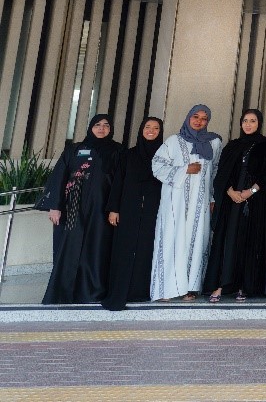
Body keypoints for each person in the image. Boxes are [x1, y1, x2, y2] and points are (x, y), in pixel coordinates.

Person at [38, 114, 121, 304]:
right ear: (90, 127)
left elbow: (119, 182)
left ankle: (92, 293)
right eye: (98, 125)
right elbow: (60, 176)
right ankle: (62, 293)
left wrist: (115, 208)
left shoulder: (117, 151)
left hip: (102, 210)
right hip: (72, 210)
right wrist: (54, 206)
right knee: (69, 249)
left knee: (97, 249)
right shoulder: (74, 149)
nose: (102, 128)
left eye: (106, 125)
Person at [205, 109, 266, 302]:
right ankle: (222, 285)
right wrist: (230, 192)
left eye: (252, 121)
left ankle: (244, 286)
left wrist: (249, 192)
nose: (248, 124)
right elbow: (221, 174)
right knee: (228, 242)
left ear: (259, 123)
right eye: (245, 120)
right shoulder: (232, 146)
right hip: (232, 202)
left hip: (255, 204)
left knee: (249, 242)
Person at [151, 104, 224, 301]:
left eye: (204, 118)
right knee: (173, 240)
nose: (199, 121)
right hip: (175, 202)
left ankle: (190, 288)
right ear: (188, 117)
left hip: (200, 205)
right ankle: (166, 289)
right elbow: (157, 165)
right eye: (195, 117)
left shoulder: (214, 143)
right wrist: (184, 170)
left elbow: (216, 172)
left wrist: (211, 198)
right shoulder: (173, 141)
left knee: (197, 242)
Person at [102, 117, 164, 311]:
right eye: (147, 127)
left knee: (147, 249)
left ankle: (141, 290)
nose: (151, 131)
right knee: (125, 248)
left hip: (155, 210)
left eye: (156, 128)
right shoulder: (128, 155)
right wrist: (114, 209)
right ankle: (122, 290)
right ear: (141, 129)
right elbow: (118, 182)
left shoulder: (165, 155)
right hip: (128, 208)